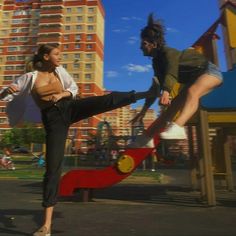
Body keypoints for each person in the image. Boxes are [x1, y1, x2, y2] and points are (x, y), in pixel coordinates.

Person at [0, 43, 154, 236]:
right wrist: (9, 90)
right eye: (56, 54)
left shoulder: (59, 70)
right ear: (46, 57)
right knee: (52, 169)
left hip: (69, 107)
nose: (60, 57)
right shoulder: (29, 78)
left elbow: (73, 88)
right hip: (53, 120)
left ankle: (147, 93)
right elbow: (5, 94)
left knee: (104, 100)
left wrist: (61, 94)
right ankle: (46, 226)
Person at [131, 14, 223, 140]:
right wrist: (143, 111)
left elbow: (172, 69)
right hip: (194, 79)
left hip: (210, 71)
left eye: (144, 43)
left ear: (153, 44)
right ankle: (146, 139)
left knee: (192, 91)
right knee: (171, 109)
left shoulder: (169, 52)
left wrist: (167, 91)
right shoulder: (156, 63)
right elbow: (155, 87)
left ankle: (179, 127)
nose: (140, 47)